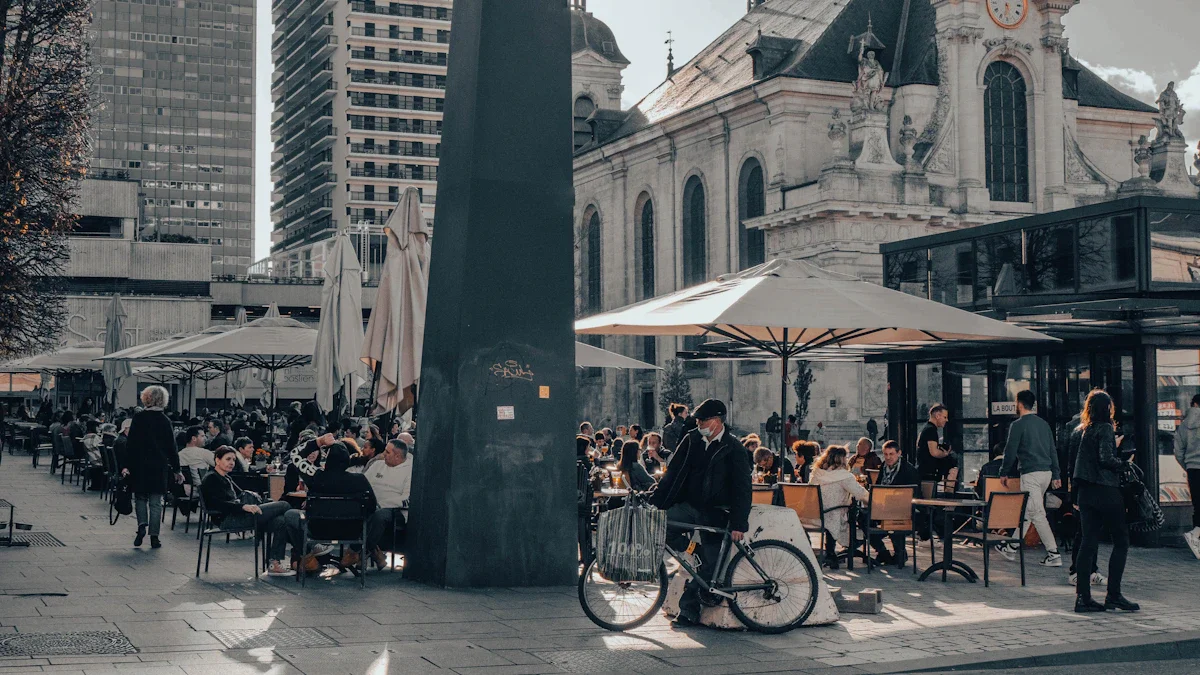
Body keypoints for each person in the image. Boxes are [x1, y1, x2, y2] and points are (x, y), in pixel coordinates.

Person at [647, 398, 751, 625]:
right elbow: (673, 473)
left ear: (716, 421)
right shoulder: (692, 439)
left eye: (702, 419)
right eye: (697, 419)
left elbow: (742, 488)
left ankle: (688, 610)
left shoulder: (734, 448)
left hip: (716, 512)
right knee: (659, 526)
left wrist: (738, 523)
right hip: (690, 506)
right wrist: (656, 501)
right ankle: (694, 548)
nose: (698, 423)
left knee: (710, 567)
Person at [1073, 389, 1138, 613]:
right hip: (1106, 491)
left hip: (1086, 492)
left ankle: (1083, 598)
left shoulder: (1083, 431)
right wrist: (1125, 462)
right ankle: (1114, 595)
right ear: (1107, 408)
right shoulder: (1105, 428)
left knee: (1088, 543)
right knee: (1121, 540)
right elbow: (1106, 459)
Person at [201, 447, 296, 576]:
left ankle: (274, 564)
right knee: (284, 505)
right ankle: (302, 549)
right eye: (228, 459)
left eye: (234, 460)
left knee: (280, 521)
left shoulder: (225, 477)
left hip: (238, 515)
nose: (232, 462)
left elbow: (240, 494)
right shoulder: (212, 478)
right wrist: (243, 507)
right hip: (228, 519)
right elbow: (217, 504)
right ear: (217, 460)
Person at [995, 390, 1063, 567]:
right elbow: (1052, 450)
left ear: (1018, 404)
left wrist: (1004, 472)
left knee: (1037, 514)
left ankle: (1053, 554)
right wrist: (1056, 474)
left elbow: (1010, 451)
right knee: (1029, 513)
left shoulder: (1017, 425)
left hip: (1030, 474)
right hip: (1046, 474)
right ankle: (1010, 548)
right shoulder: (1044, 424)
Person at [123, 386, 183, 549]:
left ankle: (142, 525)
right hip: (159, 466)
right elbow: (172, 446)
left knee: (141, 498)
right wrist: (177, 469)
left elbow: (131, 444)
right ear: (163, 400)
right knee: (156, 502)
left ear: (146, 398)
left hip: (139, 465)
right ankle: (154, 536)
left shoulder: (139, 418)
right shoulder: (165, 420)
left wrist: (126, 465)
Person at [351, 438, 414, 569]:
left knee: (379, 515)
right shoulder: (377, 465)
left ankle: (358, 550)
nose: (383, 454)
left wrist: (382, 503)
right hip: (370, 505)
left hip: (394, 510)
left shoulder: (410, 470)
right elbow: (362, 483)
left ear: (397, 456)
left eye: (387, 452)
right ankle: (374, 552)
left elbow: (407, 498)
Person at [805, 445, 869, 569]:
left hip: (813, 515)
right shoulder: (844, 476)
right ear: (842, 459)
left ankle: (832, 553)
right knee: (855, 513)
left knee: (835, 512)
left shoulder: (816, 473)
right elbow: (860, 494)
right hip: (833, 516)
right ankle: (846, 547)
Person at [865, 440, 919, 567]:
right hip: (884, 507)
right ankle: (883, 552)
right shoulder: (884, 466)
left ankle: (900, 553)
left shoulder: (908, 470)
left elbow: (914, 492)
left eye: (891, 454)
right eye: (886, 454)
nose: (888, 457)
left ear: (899, 453)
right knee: (862, 518)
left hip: (903, 508)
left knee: (893, 518)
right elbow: (878, 487)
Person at [1173, 393, 1200, 559]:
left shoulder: (1184, 425)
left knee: (1198, 503)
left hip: (1193, 469)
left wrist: (1188, 465)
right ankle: (1195, 534)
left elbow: (1178, 451)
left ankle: (1197, 537)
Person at [917, 404, 956, 483]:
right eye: (945, 417)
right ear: (938, 415)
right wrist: (945, 453)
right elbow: (934, 452)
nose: (947, 420)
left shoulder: (925, 428)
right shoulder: (931, 430)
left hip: (923, 471)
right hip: (928, 473)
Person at [178, 426, 215, 492]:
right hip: (200, 490)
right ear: (194, 438)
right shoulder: (203, 453)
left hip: (181, 491)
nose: (205, 438)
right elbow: (221, 464)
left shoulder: (179, 455)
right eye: (202, 436)